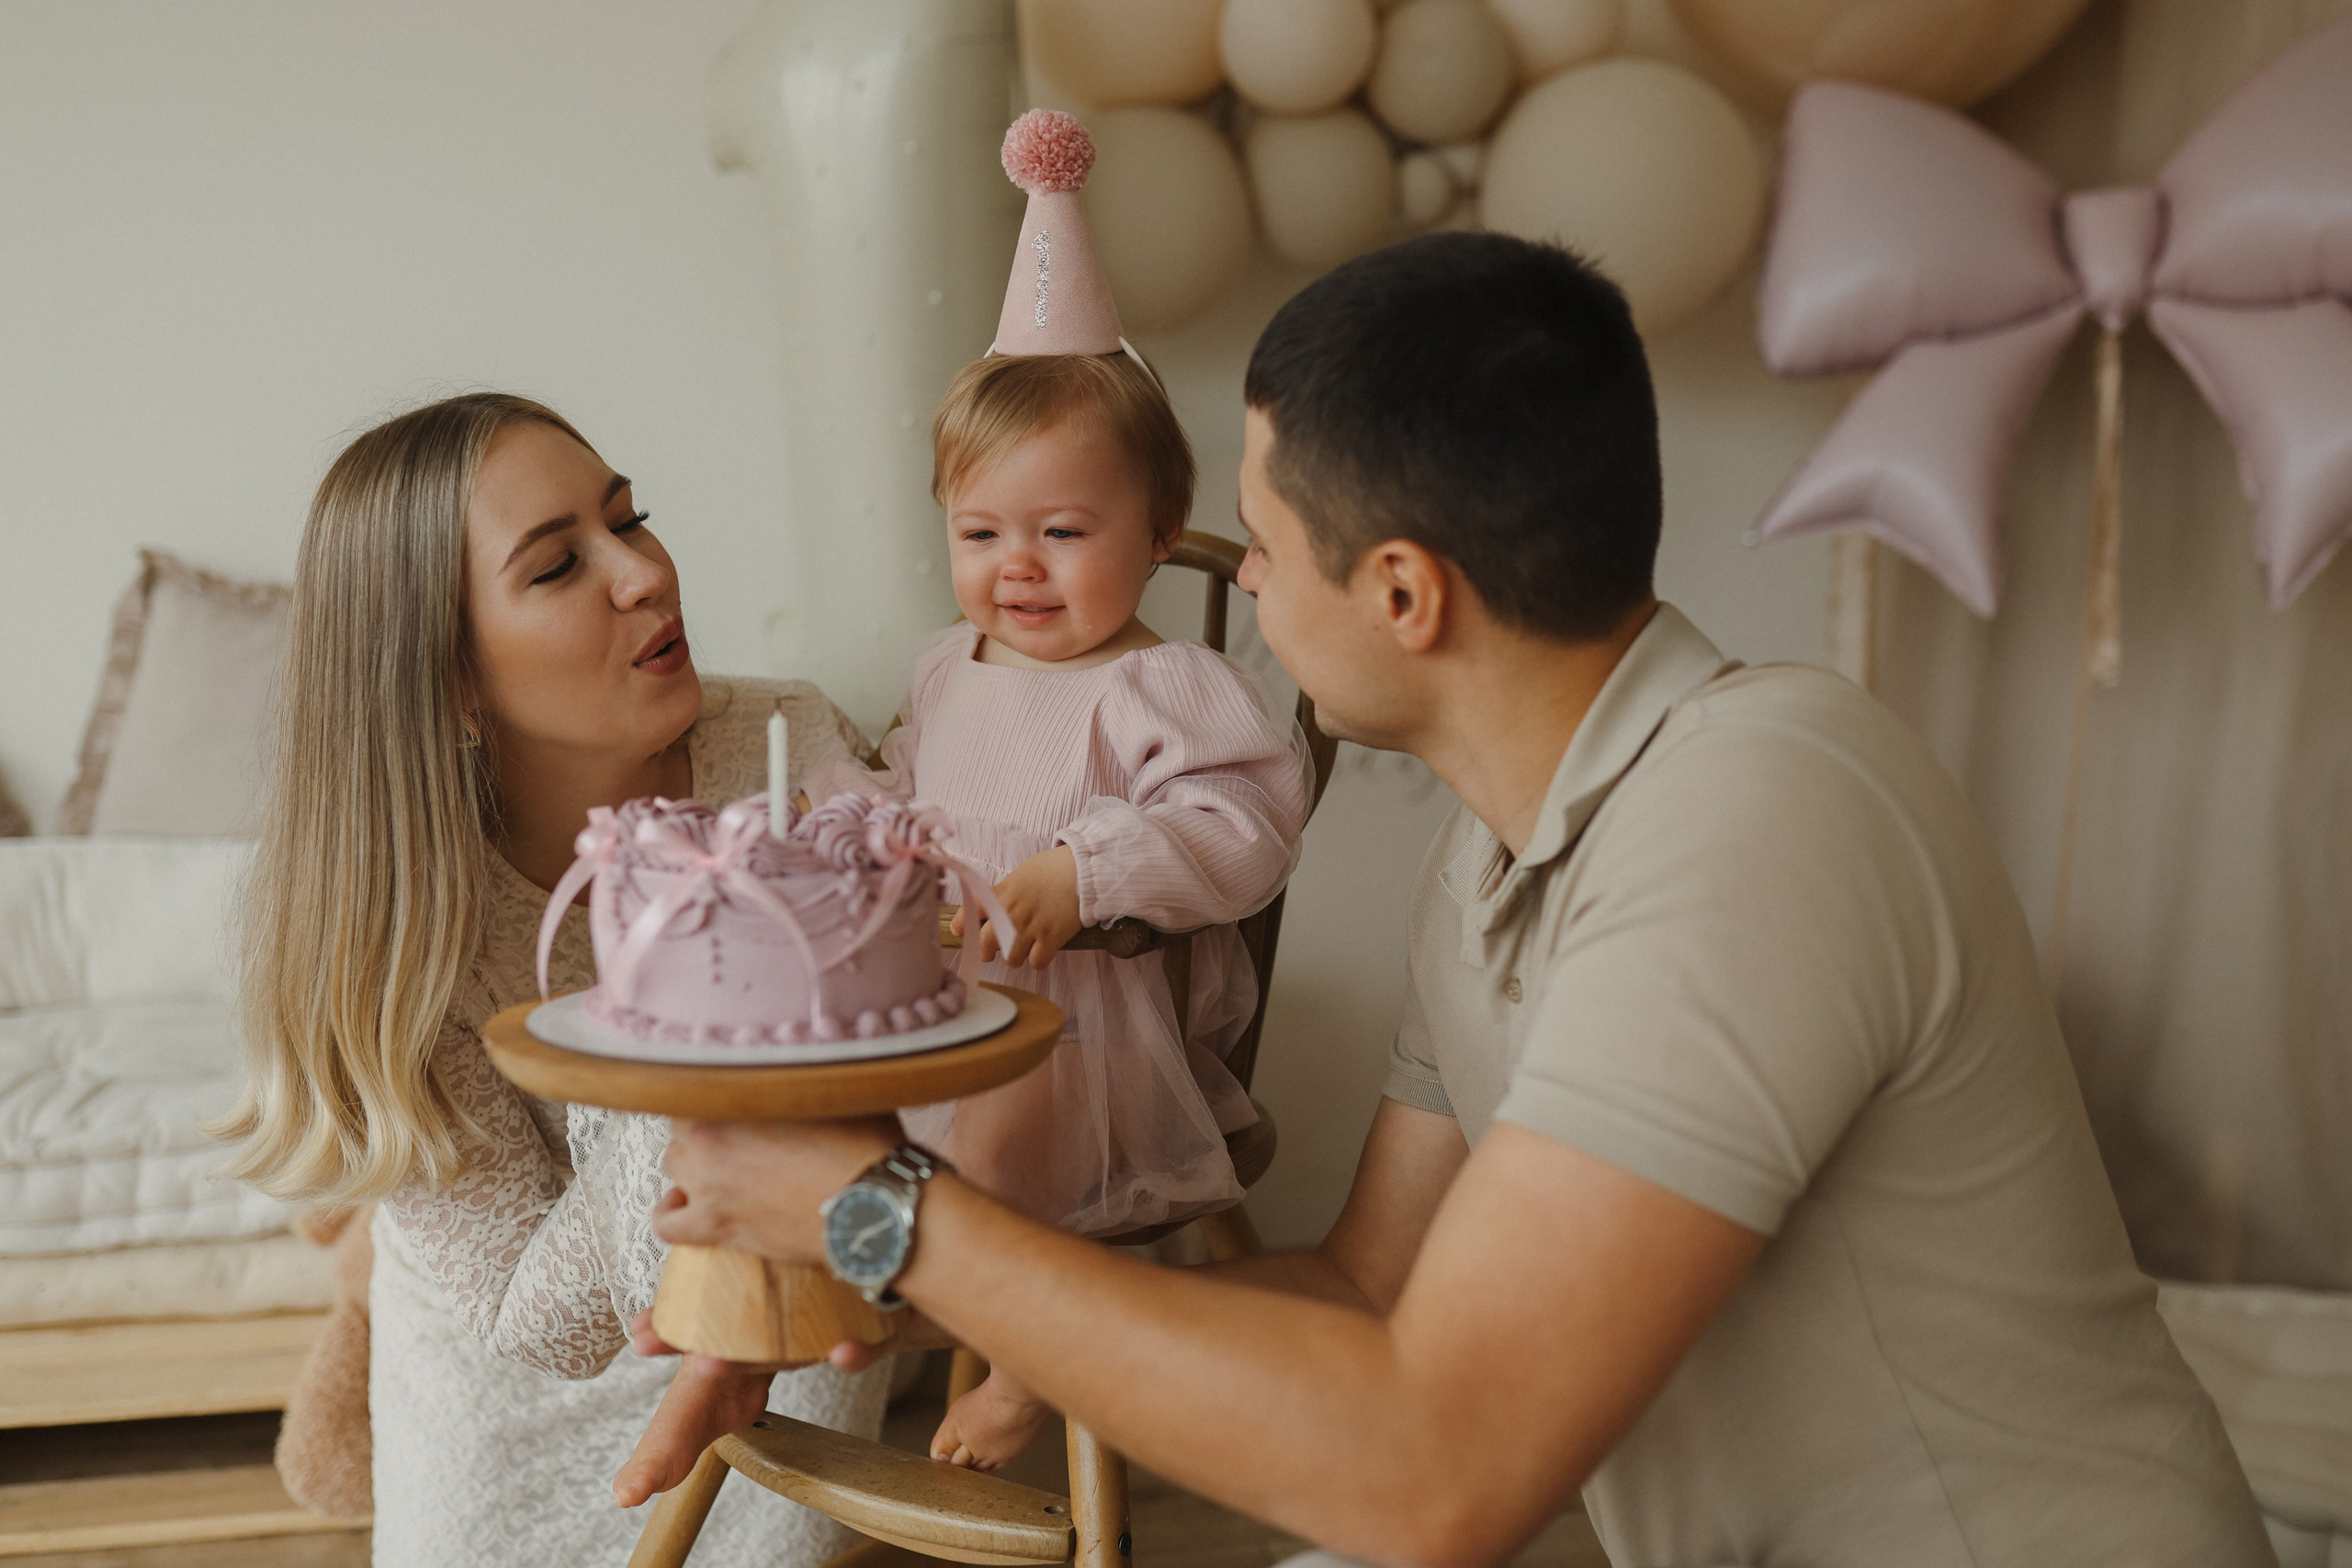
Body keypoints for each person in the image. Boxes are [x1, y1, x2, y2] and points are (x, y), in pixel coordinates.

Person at [644, 233, 2273, 1567]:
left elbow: (1440, 1476)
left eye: (1261, 547)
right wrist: (941, 1313)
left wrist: (882, 1210)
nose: (1243, 585)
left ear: (1405, 593)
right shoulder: (1491, 861)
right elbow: (1370, 1292)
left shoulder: (1758, 809)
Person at [614, 346, 1312, 1500]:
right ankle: (731, 1350)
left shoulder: (1165, 685)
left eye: (1063, 532)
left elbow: (1244, 825)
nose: (1016, 566)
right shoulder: (949, 665)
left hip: (1076, 1036)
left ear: (1157, 529)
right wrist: (845, 824)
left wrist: (1086, 872)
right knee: (788, 1134)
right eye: (980, 532)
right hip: (927, 1007)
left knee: (983, 1153)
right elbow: (905, 786)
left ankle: (1038, 1355)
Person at [216, 392, 888, 1567]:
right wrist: (677, 1031)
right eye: (558, 565)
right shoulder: (396, 927)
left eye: (630, 520)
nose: (645, 575)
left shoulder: (785, 755)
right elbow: (544, 1328)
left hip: (768, 1363)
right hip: (501, 1414)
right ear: (450, 681)